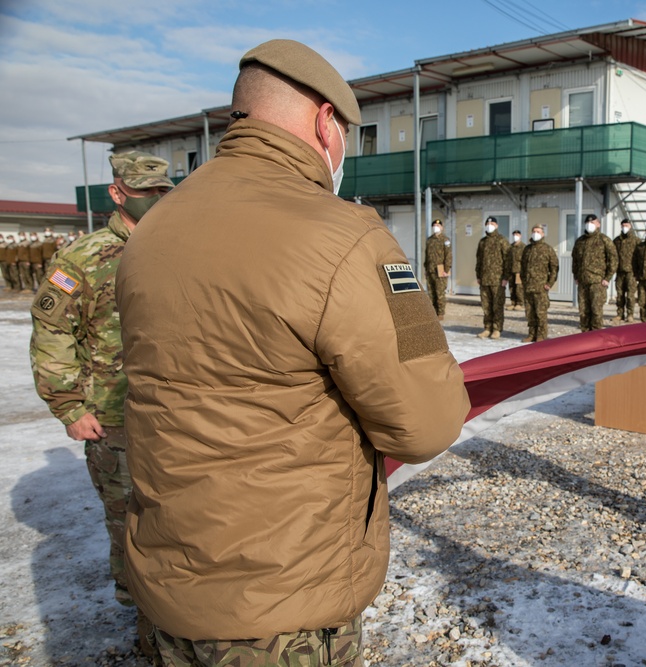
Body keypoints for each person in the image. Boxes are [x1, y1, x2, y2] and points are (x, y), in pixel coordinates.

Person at [117, 39, 470, 666]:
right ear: (324, 123)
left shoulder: (154, 233)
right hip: (284, 604)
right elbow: (426, 421)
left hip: (170, 583)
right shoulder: (343, 236)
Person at [29, 150, 174, 660]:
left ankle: (178, 619)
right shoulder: (83, 258)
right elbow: (52, 334)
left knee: (179, 521)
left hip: (178, 417)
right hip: (115, 421)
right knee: (130, 524)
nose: (157, 199)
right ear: (117, 193)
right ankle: (146, 628)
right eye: (146, 191)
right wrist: (69, 407)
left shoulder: (178, 247)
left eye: (162, 190)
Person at [571, 213, 617, 331]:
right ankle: (585, 337)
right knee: (583, 312)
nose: (589, 225)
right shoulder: (580, 241)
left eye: (592, 223)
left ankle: (596, 338)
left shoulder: (604, 240)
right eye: (587, 223)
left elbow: (613, 259)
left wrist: (607, 277)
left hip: (597, 282)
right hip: (583, 281)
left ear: (598, 224)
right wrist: (576, 275)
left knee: (596, 311)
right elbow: (575, 259)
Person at [520, 225, 559, 342]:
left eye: (538, 231)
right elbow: (522, 267)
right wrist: (524, 281)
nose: (535, 233)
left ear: (543, 234)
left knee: (540, 313)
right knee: (530, 312)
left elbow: (554, 268)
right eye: (533, 231)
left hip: (541, 287)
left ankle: (541, 335)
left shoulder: (547, 249)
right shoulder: (527, 249)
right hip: (528, 287)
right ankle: (532, 334)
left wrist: (549, 283)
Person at [475, 216, 510, 338]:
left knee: (497, 305)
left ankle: (496, 329)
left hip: (498, 280)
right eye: (488, 223)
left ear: (496, 225)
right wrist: (478, 275)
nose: (490, 225)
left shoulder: (502, 240)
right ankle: (487, 328)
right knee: (486, 306)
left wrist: (506, 277)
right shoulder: (482, 242)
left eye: (492, 223)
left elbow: (508, 260)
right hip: (485, 279)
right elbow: (479, 260)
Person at [424, 218, 451, 320]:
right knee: (431, 293)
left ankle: (440, 313)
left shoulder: (445, 240)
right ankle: (432, 312)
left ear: (442, 228)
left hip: (441, 270)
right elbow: (427, 256)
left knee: (440, 293)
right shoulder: (429, 240)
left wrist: (446, 269)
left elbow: (448, 256)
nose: (436, 227)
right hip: (430, 270)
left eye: (438, 226)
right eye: (434, 226)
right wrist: (426, 269)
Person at [612, 218, 638, 323]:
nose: (624, 227)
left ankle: (630, 315)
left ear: (630, 226)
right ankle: (620, 314)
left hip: (631, 272)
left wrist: (638, 271)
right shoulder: (617, 240)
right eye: (623, 225)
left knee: (630, 295)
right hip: (620, 271)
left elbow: (639, 256)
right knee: (620, 294)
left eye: (626, 225)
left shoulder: (636, 240)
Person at [507, 230, 525, 310]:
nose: (515, 236)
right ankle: (513, 303)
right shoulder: (510, 247)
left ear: (520, 235)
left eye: (517, 234)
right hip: (511, 270)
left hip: (519, 270)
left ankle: (520, 303)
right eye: (514, 234)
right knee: (511, 287)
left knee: (519, 287)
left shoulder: (523, 247)